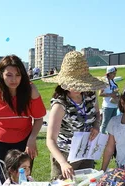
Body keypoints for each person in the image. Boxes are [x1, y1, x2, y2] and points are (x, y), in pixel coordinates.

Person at [44, 51, 105, 179]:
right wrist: (63, 163)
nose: (77, 88)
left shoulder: (90, 95)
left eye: (80, 83)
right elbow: (50, 140)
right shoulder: (59, 105)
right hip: (65, 155)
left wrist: (96, 126)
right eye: (73, 84)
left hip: (86, 151)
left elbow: (97, 114)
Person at [0, 55, 46, 161]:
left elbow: (39, 118)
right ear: (1, 74)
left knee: (22, 175)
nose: (14, 79)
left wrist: (32, 139)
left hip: (24, 139)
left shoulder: (30, 90)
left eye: (18, 75)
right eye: (9, 75)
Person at [99, 66, 119, 134]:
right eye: (113, 73)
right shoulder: (104, 81)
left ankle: (109, 138)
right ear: (109, 73)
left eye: (115, 73)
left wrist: (116, 93)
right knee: (105, 123)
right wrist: (110, 95)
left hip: (114, 105)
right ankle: (100, 139)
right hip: (107, 106)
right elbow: (100, 94)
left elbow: (113, 91)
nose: (114, 75)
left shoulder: (113, 81)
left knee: (113, 124)